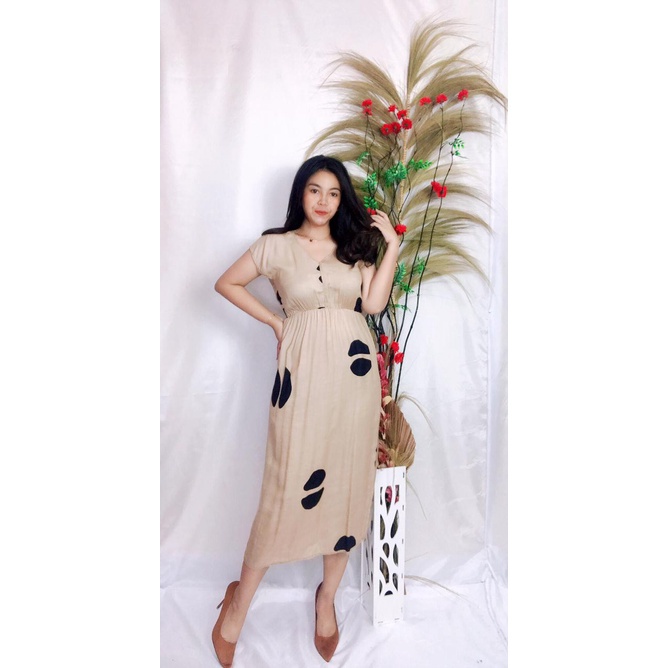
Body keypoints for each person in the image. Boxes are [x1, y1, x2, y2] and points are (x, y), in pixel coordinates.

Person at [212, 155, 400, 665]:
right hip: (300, 378)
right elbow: (226, 283)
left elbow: (373, 305)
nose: (324, 201)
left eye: (334, 193)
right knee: (283, 487)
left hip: (354, 379)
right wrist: (277, 323)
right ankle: (237, 605)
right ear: (301, 192)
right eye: (315, 190)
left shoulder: (354, 246)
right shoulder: (274, 246)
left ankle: (326, 601)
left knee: (346, 487)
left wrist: (391, 247)